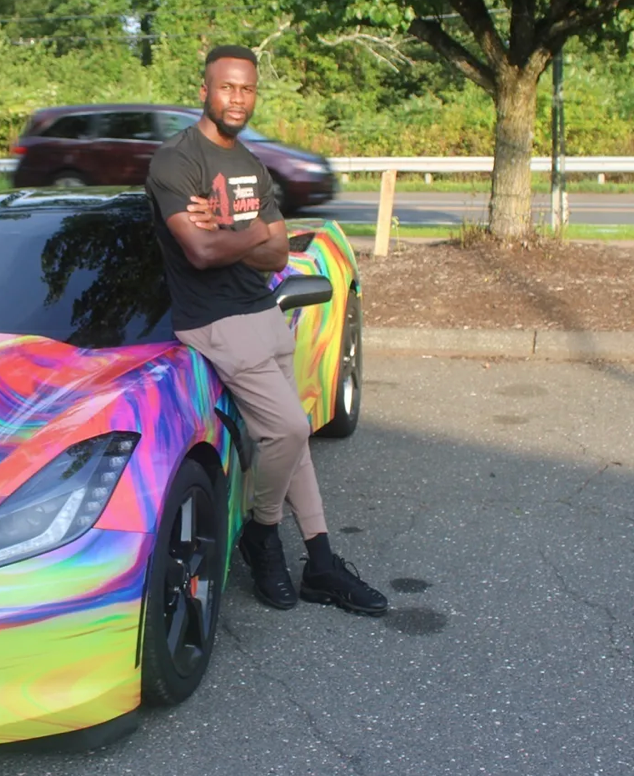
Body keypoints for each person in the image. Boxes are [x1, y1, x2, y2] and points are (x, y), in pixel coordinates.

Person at [144, 44, 388, 616]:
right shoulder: (176, 161)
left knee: (296, 438)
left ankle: (322, 563)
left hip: (263, 312)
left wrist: (240, 231)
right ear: (204, 90)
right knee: (288, 431)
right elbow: (202, 252)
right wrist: (251, 233)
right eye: (227, 87)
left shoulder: (250, 164)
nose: (237, 98)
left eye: (247, 89)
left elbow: (279, 249)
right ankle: (261, 533)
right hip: (215, 322)